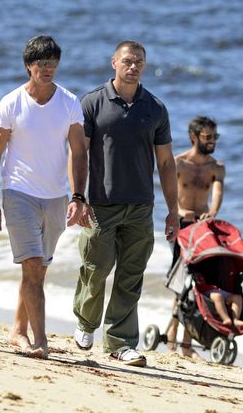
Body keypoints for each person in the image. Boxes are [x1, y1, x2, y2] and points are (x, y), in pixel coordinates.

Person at [72, 40, 179, 367]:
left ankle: (120, 342)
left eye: (139, 63)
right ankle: (87, 323)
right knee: (96, 268)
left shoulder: (155, 109)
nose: (134, 67)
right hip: (101, 205)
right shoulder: (91, 103)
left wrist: (173, 210)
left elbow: (166, 163)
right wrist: (78, 197)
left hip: (141, 207)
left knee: (131, 277)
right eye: (128, 61)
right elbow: (78, 154)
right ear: (114, 63)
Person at [0, 35, 89, 359]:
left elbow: (78, 152)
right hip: (19, 193)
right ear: (29, 66)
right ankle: (40, 340)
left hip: (56, 196)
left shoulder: (70, 102)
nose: (48, 69)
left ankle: (17, 331)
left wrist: (78, 196)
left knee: (38, 270)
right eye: (42, 64)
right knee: (31, 265)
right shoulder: (11, 103)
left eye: (53, 63)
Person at [165, 116, 229, 356]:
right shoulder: (178, 163)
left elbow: (217, 194)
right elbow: (170, 194)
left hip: (203, 226)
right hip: (182, 224)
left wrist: (212, 213)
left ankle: (186, 341)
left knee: (199, 282)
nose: (212, 141)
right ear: (194, 137)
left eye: (215, 137)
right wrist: (180, 211)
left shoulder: (217, 168)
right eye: (207, 137)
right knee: (180, 281)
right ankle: (174, 331)